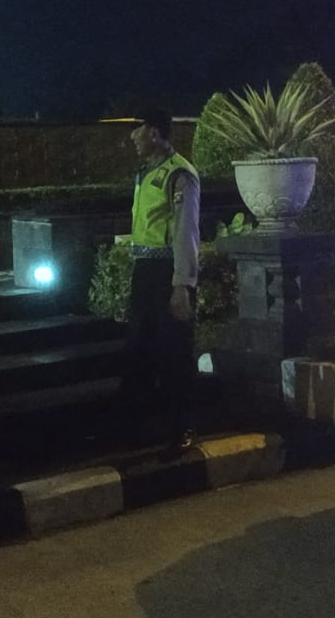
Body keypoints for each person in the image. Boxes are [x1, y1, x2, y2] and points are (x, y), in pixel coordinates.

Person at [124, 108, 201, 454]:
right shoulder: (146, 172)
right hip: (145, 271)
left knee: (174, 352)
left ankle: (182, 427)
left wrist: (182, 284)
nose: (132, 137)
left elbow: (186, 232)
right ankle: (144, 428)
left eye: (136, 129)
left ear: (154, 133)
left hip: (167, 272)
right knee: (139, 349)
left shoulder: (179, 173)